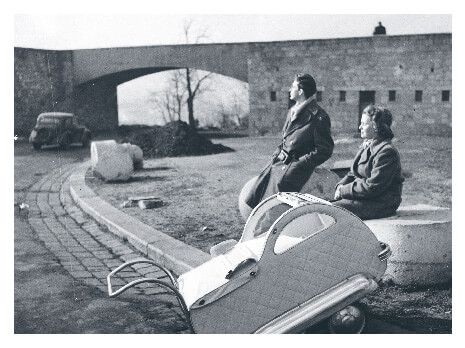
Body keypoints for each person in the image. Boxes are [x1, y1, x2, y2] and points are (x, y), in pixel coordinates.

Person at [245, 73, 334, 209]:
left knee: (276, 202)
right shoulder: (292, 111)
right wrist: (276, 154)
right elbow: (286, 139)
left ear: (300, 91)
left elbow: (324, 149)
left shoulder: (318, 117)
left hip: (296, 168)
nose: (289, 90)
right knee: (259, 189)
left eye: (293, 87)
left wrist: (299, 164)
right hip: (281, 161)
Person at [333, 105, 404, 219]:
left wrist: (344, 191)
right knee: (323, 206)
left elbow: (373, 186)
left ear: (376, 127)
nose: (360, 127)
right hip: (365, 197)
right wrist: (340, 185)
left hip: (381, 203)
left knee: (330, 211)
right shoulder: (367, 145)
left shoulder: (387, 152)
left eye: (364, 124)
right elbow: (353, 173)